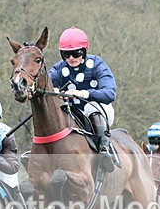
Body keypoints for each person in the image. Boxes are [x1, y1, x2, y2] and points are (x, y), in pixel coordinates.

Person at [48, 27, 117, 172]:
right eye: (66, 54)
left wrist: (84, 94)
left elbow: (110, 93)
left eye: (76, 53)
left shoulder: (97, 64)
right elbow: (46, 83)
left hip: (98, 110)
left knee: (91, 108)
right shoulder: (59, 69)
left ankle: (104, 151)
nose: (71, 58)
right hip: (72, 114)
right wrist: (53, 91)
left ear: (84, 51)